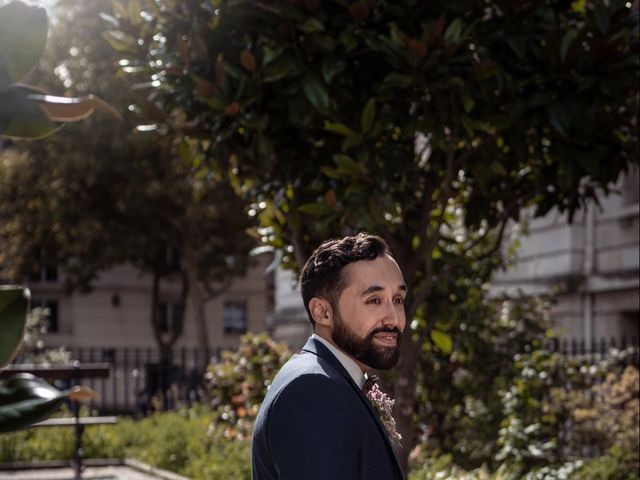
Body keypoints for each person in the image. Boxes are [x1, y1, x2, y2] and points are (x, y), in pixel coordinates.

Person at [252, 233, 407, 479]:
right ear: (322, 312)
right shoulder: (312, 390)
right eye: (374, 300)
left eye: (398, 300)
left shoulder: (329, 380)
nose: (394, 319)